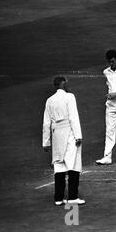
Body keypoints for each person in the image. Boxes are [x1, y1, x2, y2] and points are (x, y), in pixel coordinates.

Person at [43, 76, 85, 205]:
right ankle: (72, 197)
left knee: (59, 164)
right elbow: (73, 116)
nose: (68, 85)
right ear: (62, 84)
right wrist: (78, 136)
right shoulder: (69, 97)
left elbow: (46, 123)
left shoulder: (49, 100)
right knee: (73, 164)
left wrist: (46, 142)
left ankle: (58, 198)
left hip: (56, 135)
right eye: (66, 83)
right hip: (69, 133)